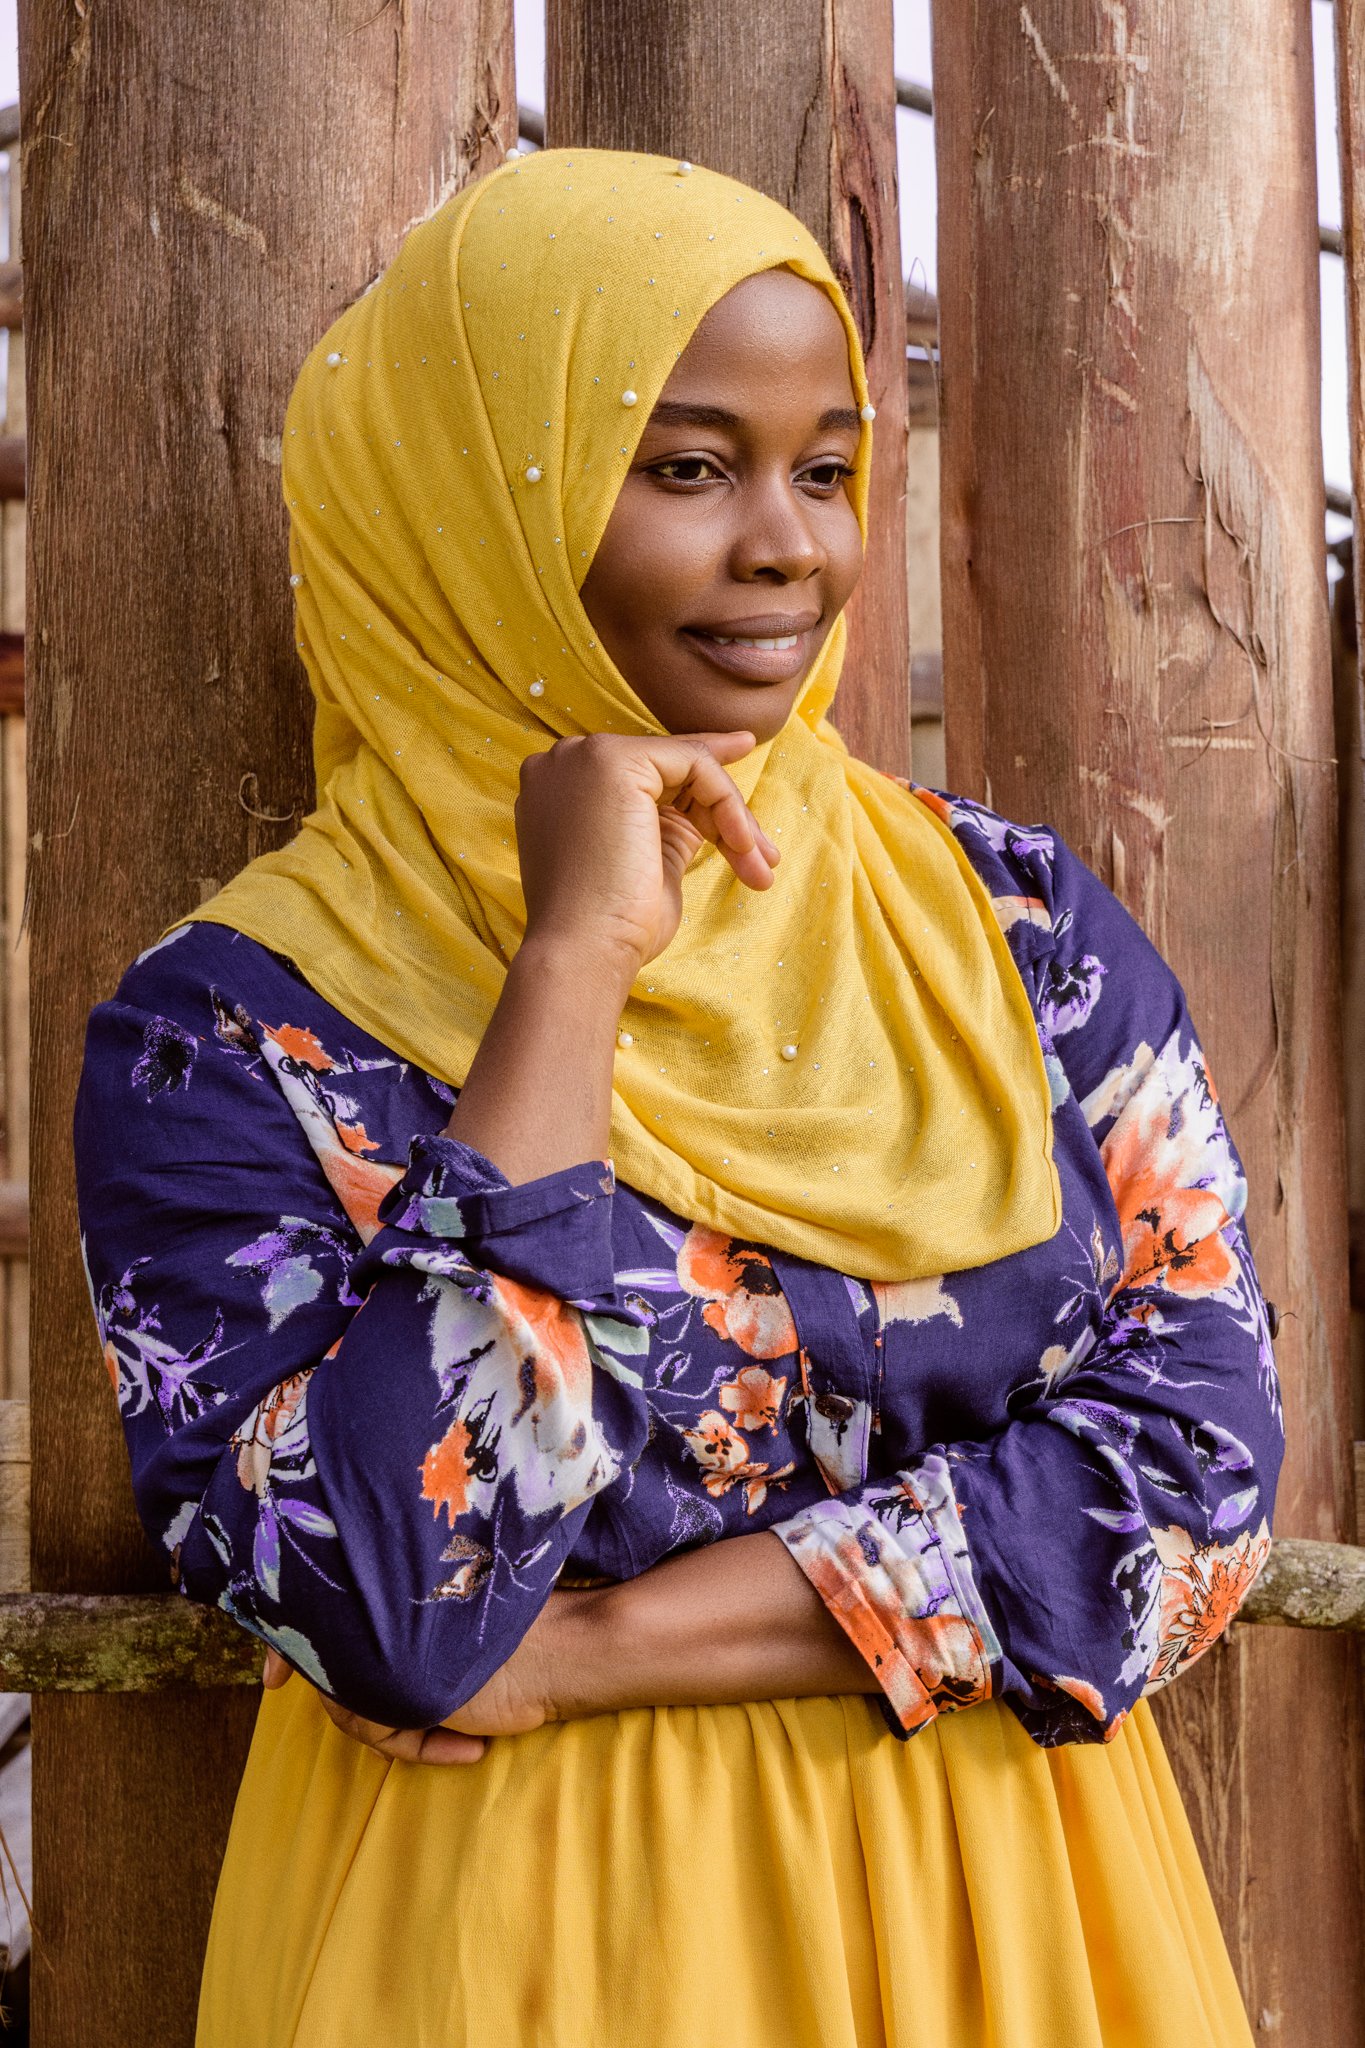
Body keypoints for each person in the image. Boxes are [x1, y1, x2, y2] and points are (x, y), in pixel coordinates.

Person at [73, 148, 1281, 2047]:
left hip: (1023, 1913)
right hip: (519, 1943)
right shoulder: (235, 1034)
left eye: (825, 467)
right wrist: (568, 972)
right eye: (687, 465)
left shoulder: (1012, 929)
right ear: (468, 502)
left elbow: (1197, 1481)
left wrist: (594, 1653)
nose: (791, 546)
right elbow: (385, 1596)